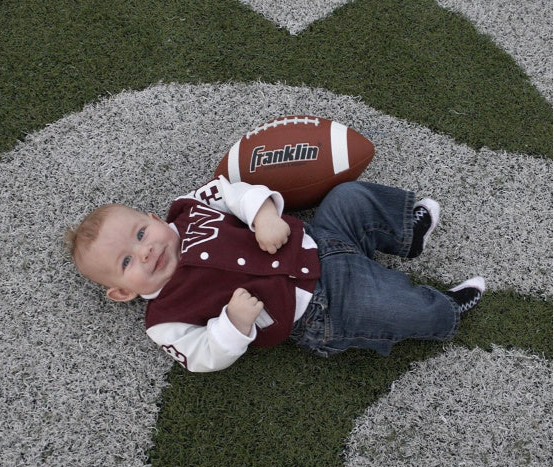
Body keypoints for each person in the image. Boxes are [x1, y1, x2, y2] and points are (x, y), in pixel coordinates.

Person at [65, 177, 485, 372]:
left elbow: (233, 190)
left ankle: (406, 234)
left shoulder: (188, 209)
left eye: (141, 233)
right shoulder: (165, 320)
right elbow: (199, 357)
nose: (146, 251)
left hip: (318, 238)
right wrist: (232, 325)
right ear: (121, 293)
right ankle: (445, 310)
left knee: (348, 196)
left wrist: (263, 214)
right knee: (384, 303)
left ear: (154, 217)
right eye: (126, 262)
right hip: (320, 309)